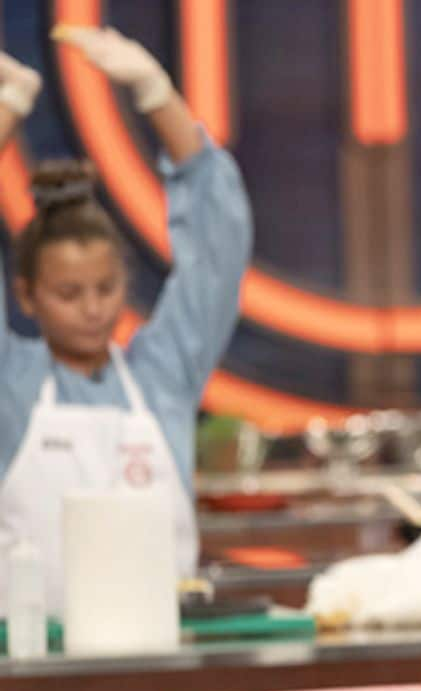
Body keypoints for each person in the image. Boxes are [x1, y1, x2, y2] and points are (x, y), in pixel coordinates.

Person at [0, 29, 252, 611]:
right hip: (33, 664)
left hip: (161, 651)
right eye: (68, 292)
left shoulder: (162, 374)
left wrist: (156, 93)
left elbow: (218, 249)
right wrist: (13, 106)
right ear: (28, 295)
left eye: (106, 289)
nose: (93, 309)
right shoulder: (12, 384)